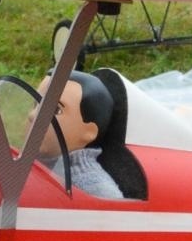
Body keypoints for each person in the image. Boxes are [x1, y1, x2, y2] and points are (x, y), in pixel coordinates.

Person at [30, 71, 146, 201]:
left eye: (56, 110)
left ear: (89, 132)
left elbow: (113, 218)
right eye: (35, 104)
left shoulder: (95, 188)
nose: (32, 116)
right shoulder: (32, 163)